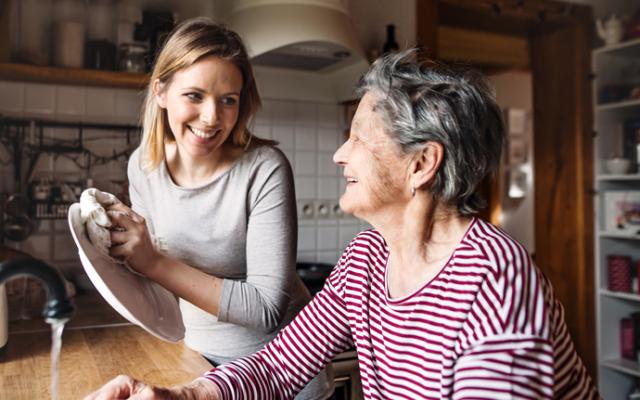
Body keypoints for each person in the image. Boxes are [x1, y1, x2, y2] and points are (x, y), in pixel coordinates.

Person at [86, 50, 600, 399]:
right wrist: (185, 395)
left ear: (420, 164)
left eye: (356, 137)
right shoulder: (366, 259)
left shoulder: (495, 280)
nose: (338, 155)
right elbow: (279, 363)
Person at [102, 18, 333, 400]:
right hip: (199, 361)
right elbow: (156, 284)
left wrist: (152, 262)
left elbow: (265, 309)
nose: (212, 118)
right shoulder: (144, 166)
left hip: (281, 374)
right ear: (161, 91)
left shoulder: (265, 169)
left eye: (229, 99)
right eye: (194, 95)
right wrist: (120, 252)